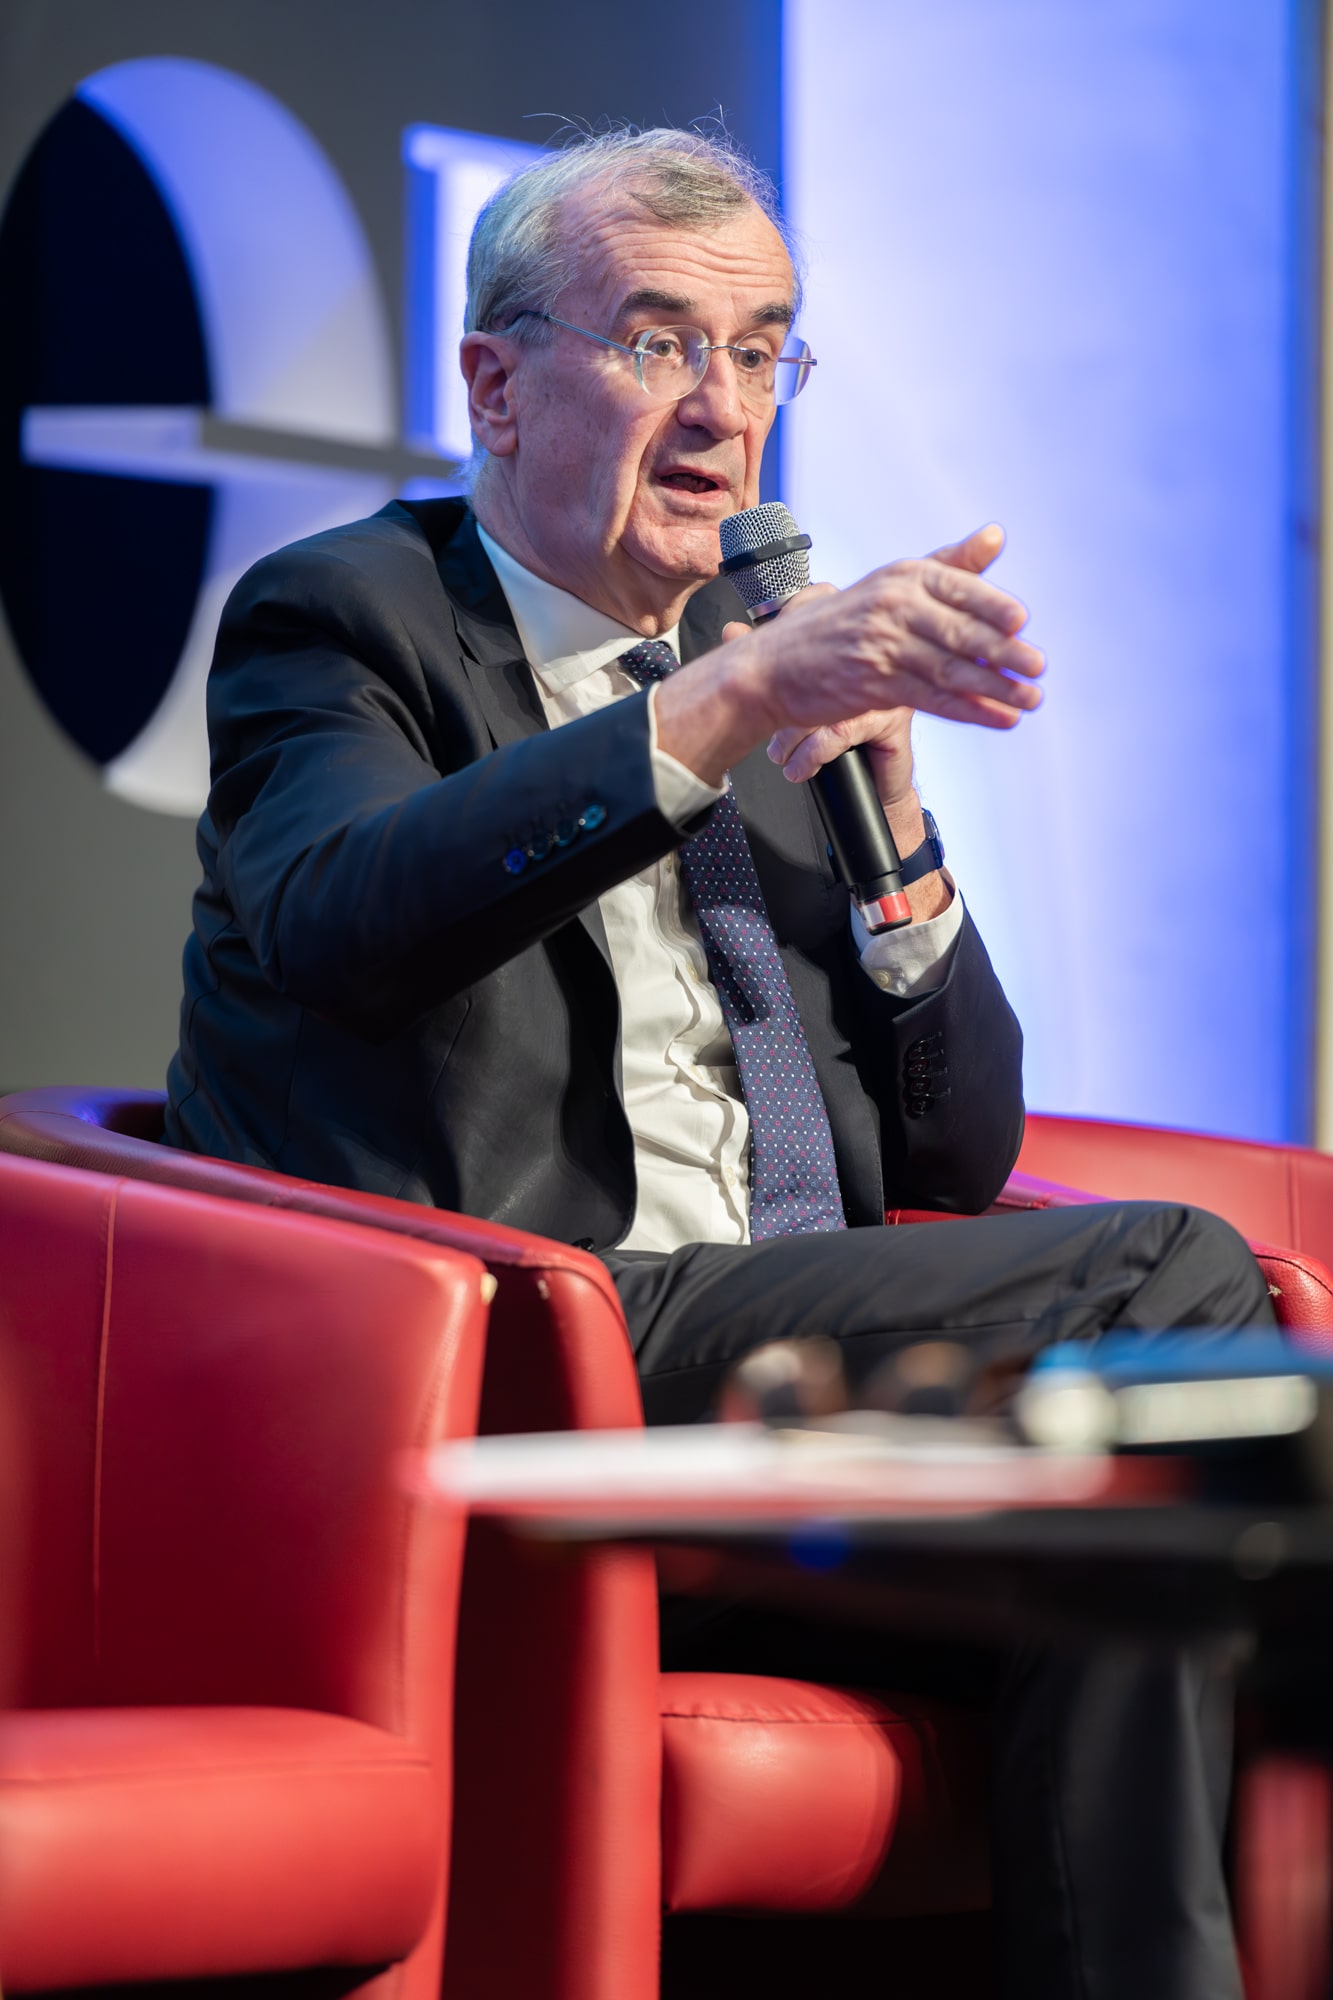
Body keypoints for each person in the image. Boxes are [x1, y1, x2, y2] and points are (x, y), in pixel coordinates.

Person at [165, 127, 1270, 1996]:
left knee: (1166, 1526)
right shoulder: (350, 619)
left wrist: (894, 839)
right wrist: (721, 702)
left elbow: (957, 1152)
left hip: (772, 1364)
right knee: (1167, 1278)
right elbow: (343, 922)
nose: (724, 407)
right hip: (535, 1338)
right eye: (660, 341)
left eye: (761, 352)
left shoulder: (749, 686)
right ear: (494, 387)